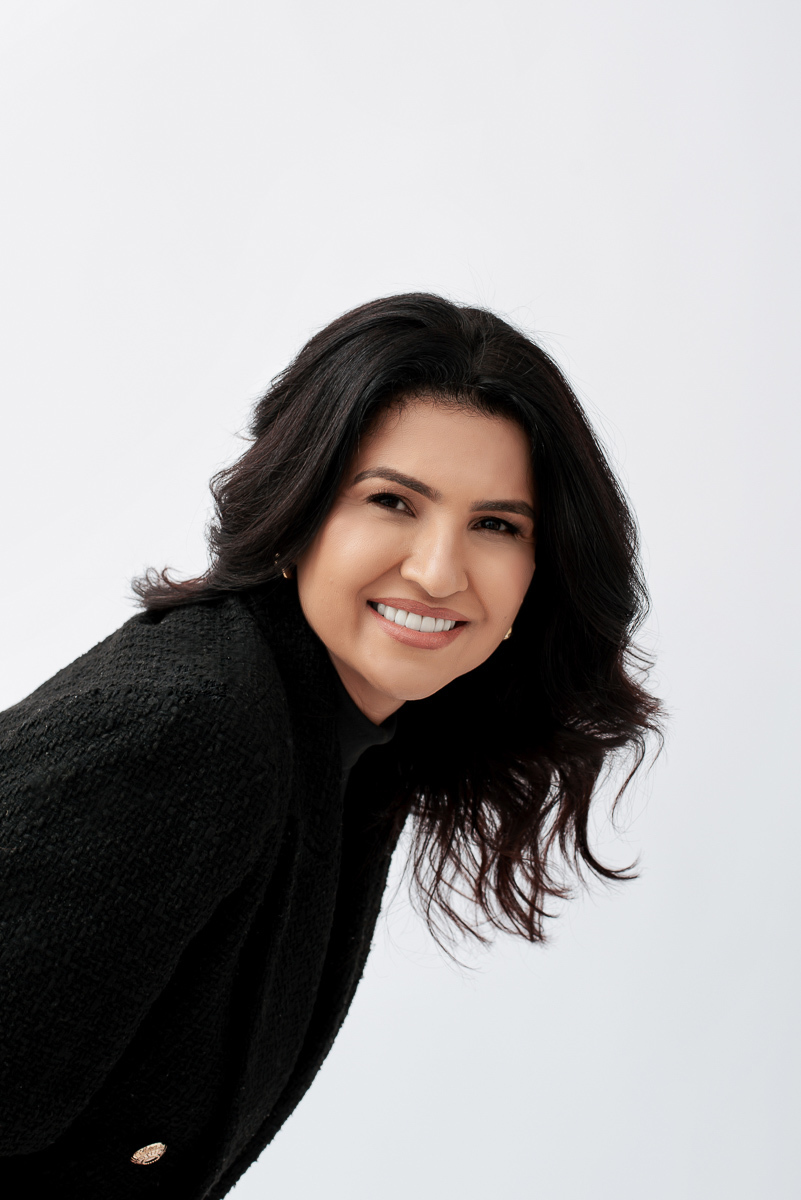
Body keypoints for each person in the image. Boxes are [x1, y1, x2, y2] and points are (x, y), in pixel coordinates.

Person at [0, 293, 662, 1197]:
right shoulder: (196, 728)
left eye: (496, 525)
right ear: (299, 508)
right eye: (392, 502)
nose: (437, 571)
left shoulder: (350, 743)